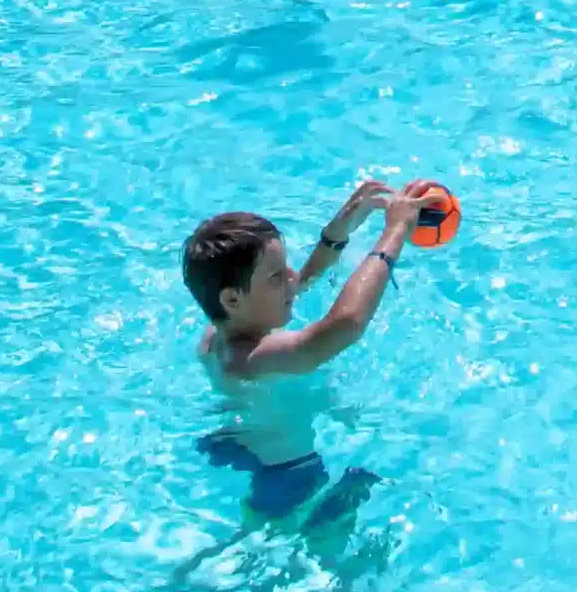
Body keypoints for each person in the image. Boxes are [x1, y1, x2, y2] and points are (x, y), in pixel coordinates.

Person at [184, 178, 434, 522]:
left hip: (242, 439)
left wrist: (342, 226)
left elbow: (305, 279)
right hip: (289, 473)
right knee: (317, 553)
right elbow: (346, 325)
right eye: (276, 275)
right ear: (232, 299)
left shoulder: (217, 331)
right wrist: (395, 233)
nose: (292, 277)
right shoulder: (254, 358)